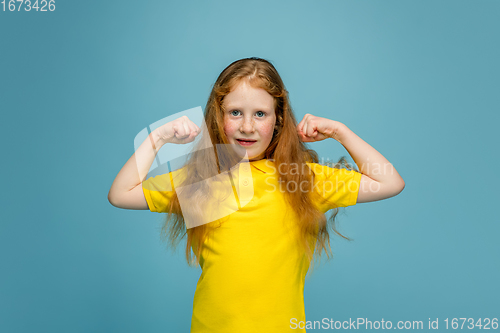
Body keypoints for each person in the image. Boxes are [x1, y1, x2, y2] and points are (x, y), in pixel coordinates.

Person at [108, 57, 405, 332]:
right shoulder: (200, 180)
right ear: (218, 115)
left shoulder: (303, 179)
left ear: (278, 119)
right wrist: (156, 138)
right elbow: (121, 194)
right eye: (235, 112)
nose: (247, 126)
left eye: (260, 114)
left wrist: (341, 132)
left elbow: (389, 181)